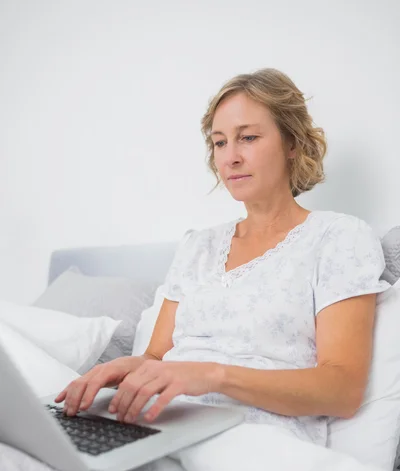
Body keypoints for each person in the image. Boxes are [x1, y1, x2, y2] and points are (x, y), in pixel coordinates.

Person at [55, 67, 390, 446]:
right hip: (159, 422)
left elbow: (341, 390)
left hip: (252, 440)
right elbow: (156, 358)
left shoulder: (338, 237)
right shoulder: (198, 246)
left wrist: (213, 375)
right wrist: (122, 368)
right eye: (219, 143)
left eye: (247, 137)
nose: (230, 158)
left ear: (292, 143)